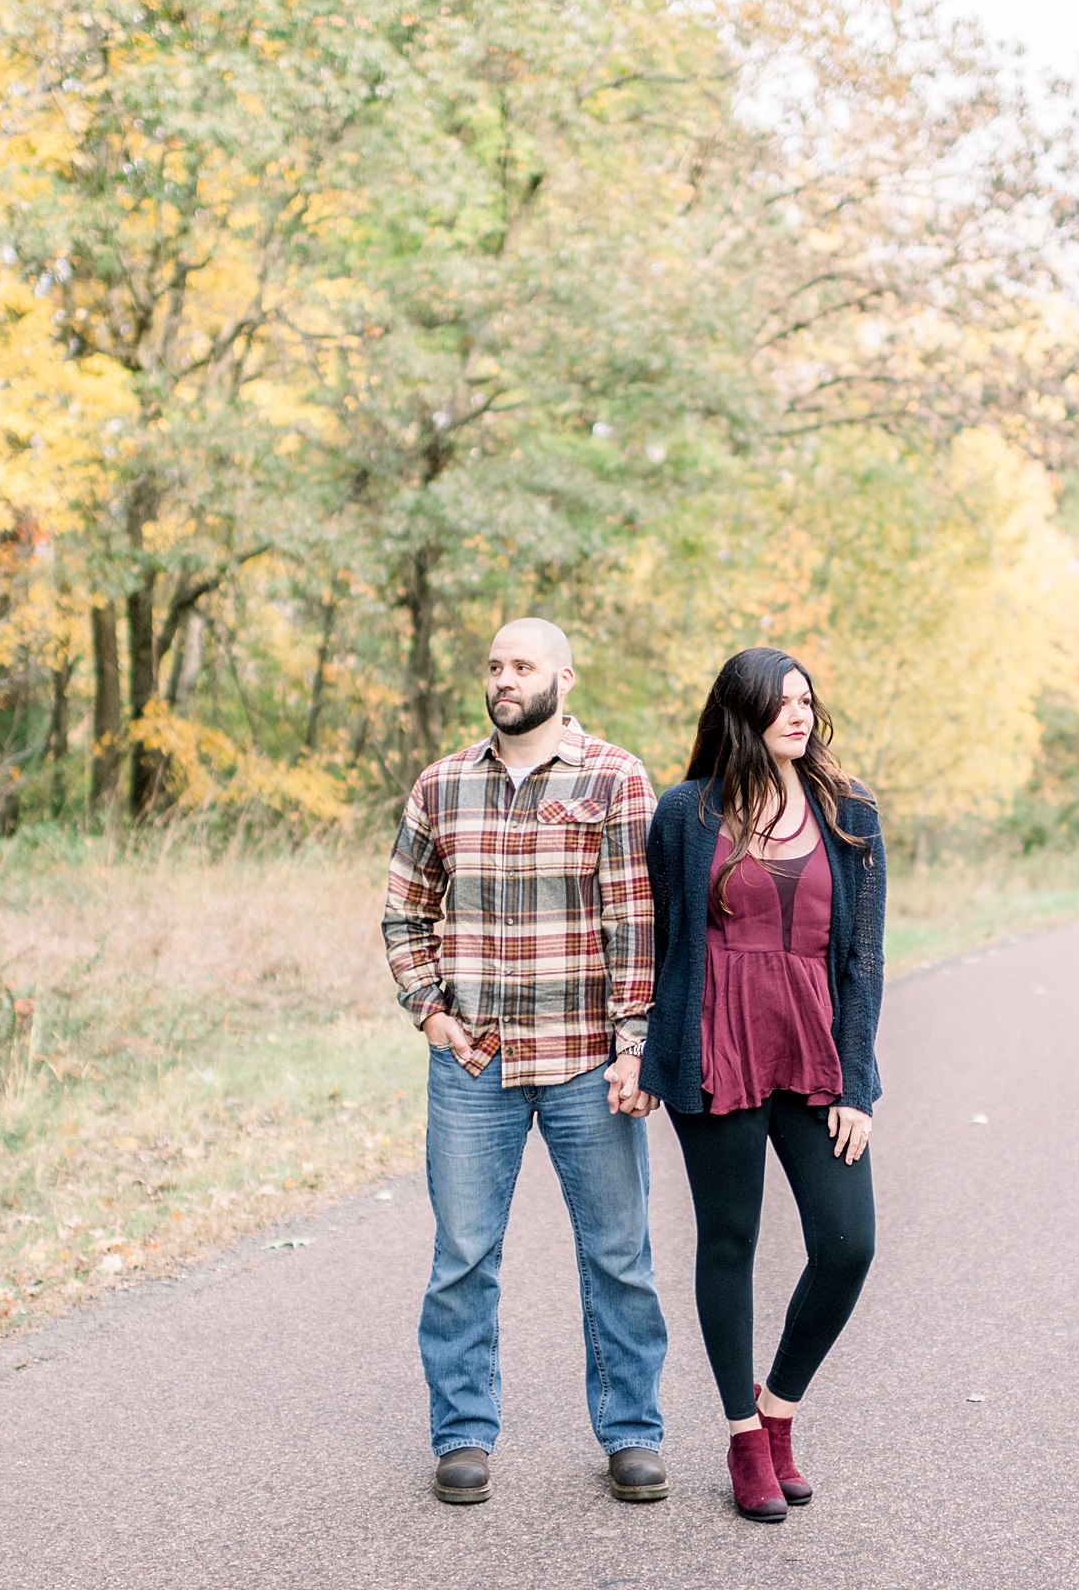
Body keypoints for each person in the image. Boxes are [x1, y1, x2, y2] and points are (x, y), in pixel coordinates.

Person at [383, 618, 671, 1507]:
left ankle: (632, 1435)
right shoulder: (443, 786)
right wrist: (430, 1014)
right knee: (463, 1254)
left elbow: (638, 924)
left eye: (524, 665)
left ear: (564, 678)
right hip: (473, 1063)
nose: (505, 678)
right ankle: (463, 1434)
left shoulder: (614, 779)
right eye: (496, 666)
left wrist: (636, 1048)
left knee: (618, 1255)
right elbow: (405, 912)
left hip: (588, 1059)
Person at [640, 647, 885, 1522]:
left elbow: (862, 959)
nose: (800, 715)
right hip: (717, 1051)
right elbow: (663, 945)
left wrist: (857, 1083)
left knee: (848, 1244)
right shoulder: (684, 813)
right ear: (739, 713)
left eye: (808, 701)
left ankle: (780, 1408)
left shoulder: (847, 810)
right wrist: (644, 1058)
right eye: (781, 703)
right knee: (730, 1239)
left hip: (815, 1054)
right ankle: (744, 1436)